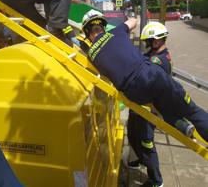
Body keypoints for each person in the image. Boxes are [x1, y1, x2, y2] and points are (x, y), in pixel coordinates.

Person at [81, 10, 208, 145]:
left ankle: (182, 125)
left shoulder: (91, 55)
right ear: (103, 27)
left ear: (88, 33)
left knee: (156, 104)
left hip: (134, 93)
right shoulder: (116, 32)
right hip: (151, 76)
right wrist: (129, 20)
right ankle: (186, 121)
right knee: (192, 111)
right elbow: (133, 22)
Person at [126, 22, 194, 187]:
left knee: (146, 142)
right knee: (132, 135)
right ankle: (141, 159)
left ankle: (156, 180)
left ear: (156, 41)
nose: (146, 44)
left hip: (148, 111)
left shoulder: (158, 61)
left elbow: (149, 86)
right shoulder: (157, 55)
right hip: (139, 109)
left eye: (148, 41)